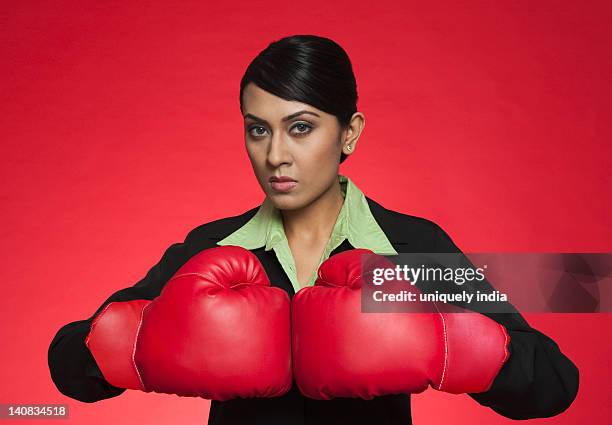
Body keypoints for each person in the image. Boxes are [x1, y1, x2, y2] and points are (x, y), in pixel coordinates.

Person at [48, 34, 579, 425]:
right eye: (258, 130)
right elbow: (69, 364)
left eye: (301, 128)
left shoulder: (410, 249)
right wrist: (132, 348)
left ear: (349, 134)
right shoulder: (211, 250)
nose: (276, 155)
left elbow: (555, 384)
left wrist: (451, 345)